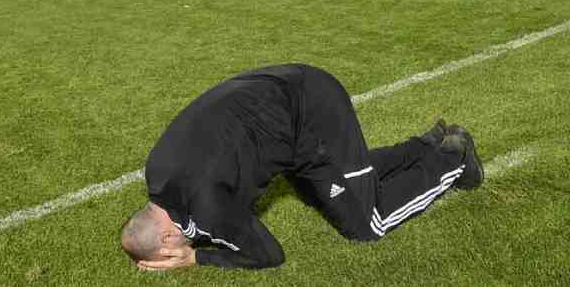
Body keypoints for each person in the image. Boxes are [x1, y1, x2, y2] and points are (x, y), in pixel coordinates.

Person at [122, 64, 483, 270]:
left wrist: (196, 257)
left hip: (312, 110)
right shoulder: (156, 171)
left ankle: (454, 159)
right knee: (324, 194)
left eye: (167, 251)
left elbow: (268, 255)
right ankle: (428, 143)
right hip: (276, 96)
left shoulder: (207, 206)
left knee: (367, 223)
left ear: (168, 237)